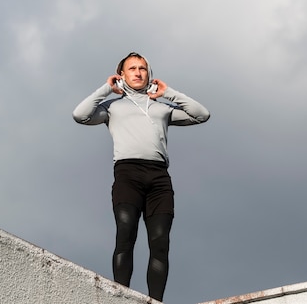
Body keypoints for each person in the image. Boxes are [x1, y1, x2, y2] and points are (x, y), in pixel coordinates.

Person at [72, 52, 210, 302]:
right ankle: (120, 297)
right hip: (128, 174)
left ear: (150, 74)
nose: (138, 72)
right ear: (122, 75)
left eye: (142, 68)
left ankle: (155, 300)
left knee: (160, 243)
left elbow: (201, 114)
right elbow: (80, 115)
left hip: (159, 178)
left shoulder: (162, 107)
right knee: (126, 233)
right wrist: (107, 88)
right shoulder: (112, 106)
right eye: (132, 68)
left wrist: (168, 92)